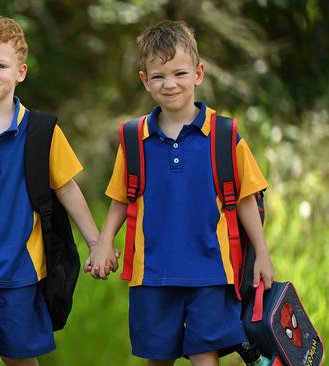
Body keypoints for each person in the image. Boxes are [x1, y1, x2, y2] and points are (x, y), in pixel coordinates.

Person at [0, 15, 111, 366]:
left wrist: (97, 243)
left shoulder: (42, 131)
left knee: (21, 359)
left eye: (1, 65)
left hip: (22, 272)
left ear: (20, 72)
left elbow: (67, 189)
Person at [95, 20, 275, 366]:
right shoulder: (134, 138)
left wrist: (263, 254)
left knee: (204, 355)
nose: (170, 83)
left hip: (211, 270)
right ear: (145, 80)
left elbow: (246, 200)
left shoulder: (225, 135)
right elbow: (122, 197)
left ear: (198, 73)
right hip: (152, 273)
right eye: (159, 76)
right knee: (157, 357)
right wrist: (105, 240)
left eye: (179, 73)